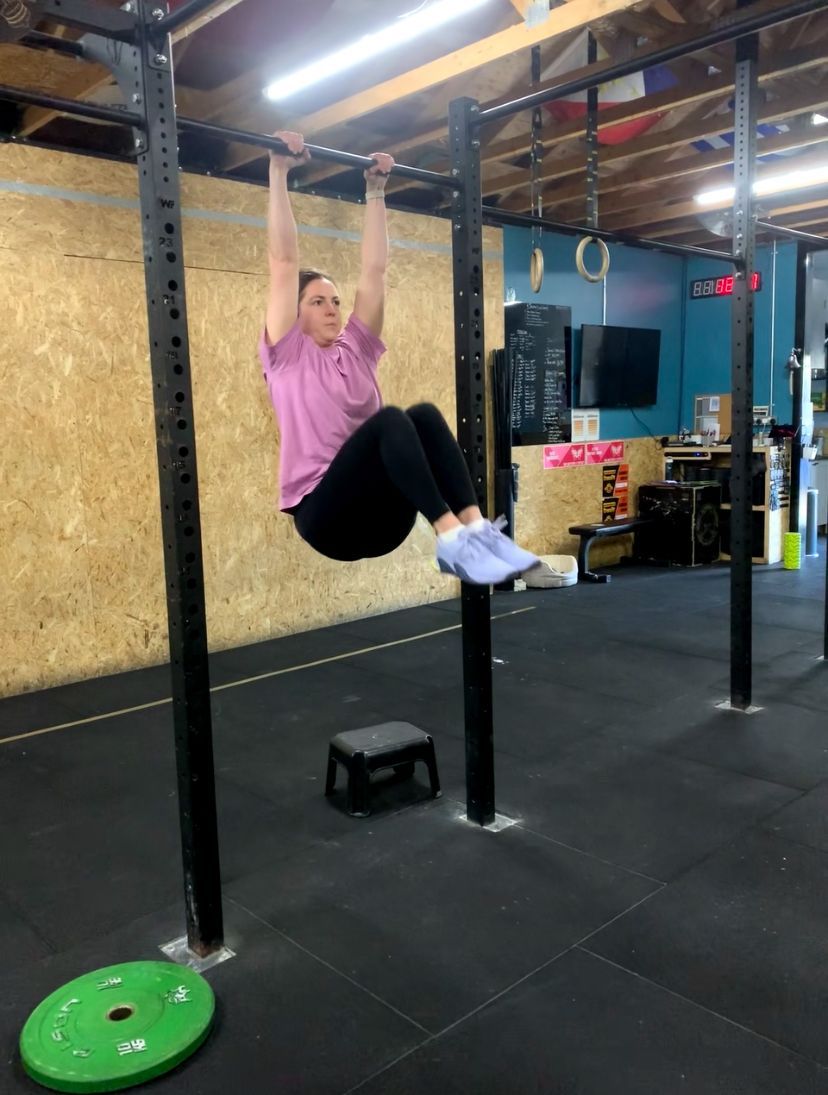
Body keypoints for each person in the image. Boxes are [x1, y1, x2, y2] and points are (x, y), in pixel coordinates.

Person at [259, 130, 539, 586]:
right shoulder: (286, 355)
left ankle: (474, 530)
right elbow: (284, 262)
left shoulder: (357, 350)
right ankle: (450, 538)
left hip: (384, 519)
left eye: (335, 300)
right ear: (294, 313)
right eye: (317, 302)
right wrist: (278, 170)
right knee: (390, 420)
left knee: (423, 415)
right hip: (326, 517)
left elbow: (374, 272)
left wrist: (375, 191)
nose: (332, 308)